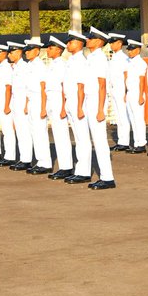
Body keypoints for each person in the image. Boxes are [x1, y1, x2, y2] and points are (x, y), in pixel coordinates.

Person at [83, 27, 116, 189]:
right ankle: (104, 176)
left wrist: (101, 109)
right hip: (90, 100)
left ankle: (107, 177)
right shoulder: (91, 58)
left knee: (100, 140)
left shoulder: (100, 59)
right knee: (96, 139)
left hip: (97, 101)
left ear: (98, 41)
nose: (87, 40)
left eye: (90, 38)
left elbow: (102, 85)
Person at [63, 31, 94, 184]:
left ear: (78, 43)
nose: (67, 45)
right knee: (77, 137)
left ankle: (84, 171)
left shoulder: (81, 61)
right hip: (71, 101)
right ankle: (79, 169)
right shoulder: (71, 60)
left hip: (78, 102)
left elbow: (81, 86)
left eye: (70, 42)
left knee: (82, 138)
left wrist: (80, 107)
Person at [44, 36, 75, 180]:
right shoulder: (52, 65)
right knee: (57, 135)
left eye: (50, 48)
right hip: (51, 101)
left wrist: (63, 107)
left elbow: (64, 87)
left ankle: (66, 167)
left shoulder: (62, 65)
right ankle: (63, 166)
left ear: (58, 50)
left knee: (62, 135)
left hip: (58, 101)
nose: (47, 50)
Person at [23, 38, 51, 174]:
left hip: (39, 101)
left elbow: (43, 87)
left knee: (41, 133)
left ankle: (45, 163)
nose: (26, 53)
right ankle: (40, 161)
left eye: (29, 50)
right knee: (34, 132)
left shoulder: (39, 66)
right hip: (32, 101)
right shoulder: (30, 65)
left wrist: (43, 107)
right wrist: (27, 104)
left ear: (36, 51)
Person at [7, 43, 35, 172]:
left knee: (24, 132)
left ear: (18, 52)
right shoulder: (16, 67)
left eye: (11, 52)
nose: (9, 55)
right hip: (16, 103)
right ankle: (23, 158)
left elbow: (28, 87)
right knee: (19, 131)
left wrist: (26, 105)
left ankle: (26, 160)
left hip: (23, 103)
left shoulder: (24, 67)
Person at [107, 33, 132, 151]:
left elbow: (126, 75)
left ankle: (124, 141)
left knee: (123, 115)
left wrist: (127, 91)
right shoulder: (114, 57)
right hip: (115, 89)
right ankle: (120, 140)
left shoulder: (124, 58)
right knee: (117, 116)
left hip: (122, 89)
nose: (111, 45)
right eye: (111, 42)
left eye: (113, 42)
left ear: (120, 43)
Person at [123, 40, 148, 153]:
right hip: (130, 92)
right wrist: (125, 93)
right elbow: (126, 79)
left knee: (138, 118)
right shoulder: (129, 62)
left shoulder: (140, 63)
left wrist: (140, 95)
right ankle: (136, 143)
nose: (129, 52)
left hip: (137, 92)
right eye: (129, 49)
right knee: (132, 118)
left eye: (132, 49)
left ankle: (141, 143)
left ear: (138, 50)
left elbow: (141, 80)